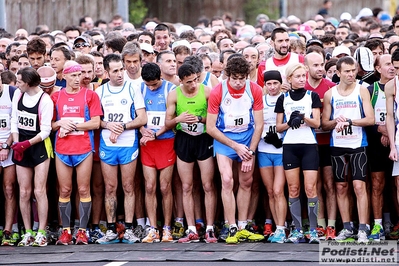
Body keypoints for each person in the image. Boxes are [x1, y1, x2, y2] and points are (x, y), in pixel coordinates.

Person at [206, 56, 264, 244]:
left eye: (242, 78)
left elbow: (260, 124)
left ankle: (242, 225)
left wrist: (251, 152)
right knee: (227, 180)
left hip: (247, 137)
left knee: (246, 181)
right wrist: (235, 146)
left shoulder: (255, 89)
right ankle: (231, 226)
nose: (239, 82)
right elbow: (211, 127)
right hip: (225, 139)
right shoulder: (218, 91)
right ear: (228, 76)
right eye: (235, 78)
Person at [322, 56, 375, 243]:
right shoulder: (330, 94)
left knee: (359, 186)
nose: (351, 74)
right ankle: (347, 227)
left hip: (357, 144)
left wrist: (350, 121)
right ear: (338, 73)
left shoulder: (361, 91)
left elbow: (371, 119)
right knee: (341, 187)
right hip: (337, 146)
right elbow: (324, 123)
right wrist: (335, 122)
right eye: (347, 71)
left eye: (353, 70)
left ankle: (363, 228)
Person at [96, 54, 147, 244]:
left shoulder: (133, 89)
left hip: (128, 143)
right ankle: (110, 229)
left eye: (121, 70)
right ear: (107, 72)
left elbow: (142, 119)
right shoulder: (100, 91)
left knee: (128, 187)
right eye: (115, 71)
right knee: (110, 187)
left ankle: (128, 228)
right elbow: (95, 120)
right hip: (108, 144)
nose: (120, 74)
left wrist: (123, 126)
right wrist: (108, 125)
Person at [165, 63, 217, 243]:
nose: (193, 84)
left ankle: (210, 228)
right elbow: (167, 122)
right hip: (184, 139)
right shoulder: (174, 94)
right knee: (186, 186)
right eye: (189, 82)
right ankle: (191, 228)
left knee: (207, 185)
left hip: (203, 139)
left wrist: (200, 119)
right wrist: (179, 119)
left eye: (195, 80)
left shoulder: (208, 91)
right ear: (181, 81)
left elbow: (215, 118)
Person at [51, 61, 102, 245]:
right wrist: (59, 124)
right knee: (65, 189)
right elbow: (50, 124)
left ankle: (82, 231)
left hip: (84, 149)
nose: (77, 78)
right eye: (72, 75)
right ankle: (65, 231)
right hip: (63, 150)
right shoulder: (56, 97)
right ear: (64, 76)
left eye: (79, 74)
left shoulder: (90, 95)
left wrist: (72, 125)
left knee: (83, 189)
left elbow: (96, 123)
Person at [274, 63, 322, 244]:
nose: (302, 79)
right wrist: (289, 122)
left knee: (311, 189)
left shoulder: (312, 96)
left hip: (309, 145)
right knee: (293, 189)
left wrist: (302, 118)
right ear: (289, 79)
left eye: (304, 76)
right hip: (290, 146)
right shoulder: (283, 98)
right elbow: (279, 127)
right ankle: (297, 229)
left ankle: (314, 230)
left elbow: (317, 123)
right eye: (298, 76)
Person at [11, 67, 54, 246]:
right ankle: (28, 231)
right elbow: (14, 120)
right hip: (21, 144)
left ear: (28, 83)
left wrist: (26, 144)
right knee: (24, 192)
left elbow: (46, 131)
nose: (17, 84)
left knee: (39, 190)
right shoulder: (18, 96)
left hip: (39, 146)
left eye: (20, 82)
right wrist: (16, 143)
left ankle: (41, 231)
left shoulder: (45, 100)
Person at [139, 63, 176, 243]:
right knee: (149, 186)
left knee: (164, 186)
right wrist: (142, 130)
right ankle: (153, 228)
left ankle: (167, 228)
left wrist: (155, 134)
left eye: (154, 84)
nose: (151, 87)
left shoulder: (171, 89)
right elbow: (137, 116)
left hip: (166, 141)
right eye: (148, 85)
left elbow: (172, 120)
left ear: (160, 77)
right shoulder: (140, 88)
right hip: (148, 143)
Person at [304, 52, 337, 240]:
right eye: (315, 65)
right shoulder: (303, 87)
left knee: (330, 184)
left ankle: (331, 226)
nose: (320, 69)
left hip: (329, 143)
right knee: (313, 187)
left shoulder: (331, 87)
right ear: (306, 67)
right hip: (309, 144)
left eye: (322, 64)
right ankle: (320, 224)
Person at [366, 54, 395, 241]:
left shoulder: (398, 87)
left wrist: (390, 134)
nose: (392, 67)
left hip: (396, 142)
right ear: (377, 69)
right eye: (387, 64)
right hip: (376, 143)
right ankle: (378, 225)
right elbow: (365, 118)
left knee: (395, 186)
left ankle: (393, 222)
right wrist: (382, 131)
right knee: (377, 185)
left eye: (394, 64)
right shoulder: (371, 90)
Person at [258, 70, 286, 243]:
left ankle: (282, 228)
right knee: (270, 192)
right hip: (264, 148)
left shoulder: (285, 98)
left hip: (281, 150)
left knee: (278, 190)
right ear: (265, 85)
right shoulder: (261, 100)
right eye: (269, 84)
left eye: (276, 83)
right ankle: (277, 227)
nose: (273, 87)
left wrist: (280, 138)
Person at [0, 73, 17, 246]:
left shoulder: (12, 92)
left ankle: (8, 230)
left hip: (9, 147)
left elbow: (15, 122)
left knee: (9, 189)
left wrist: (6, 146)